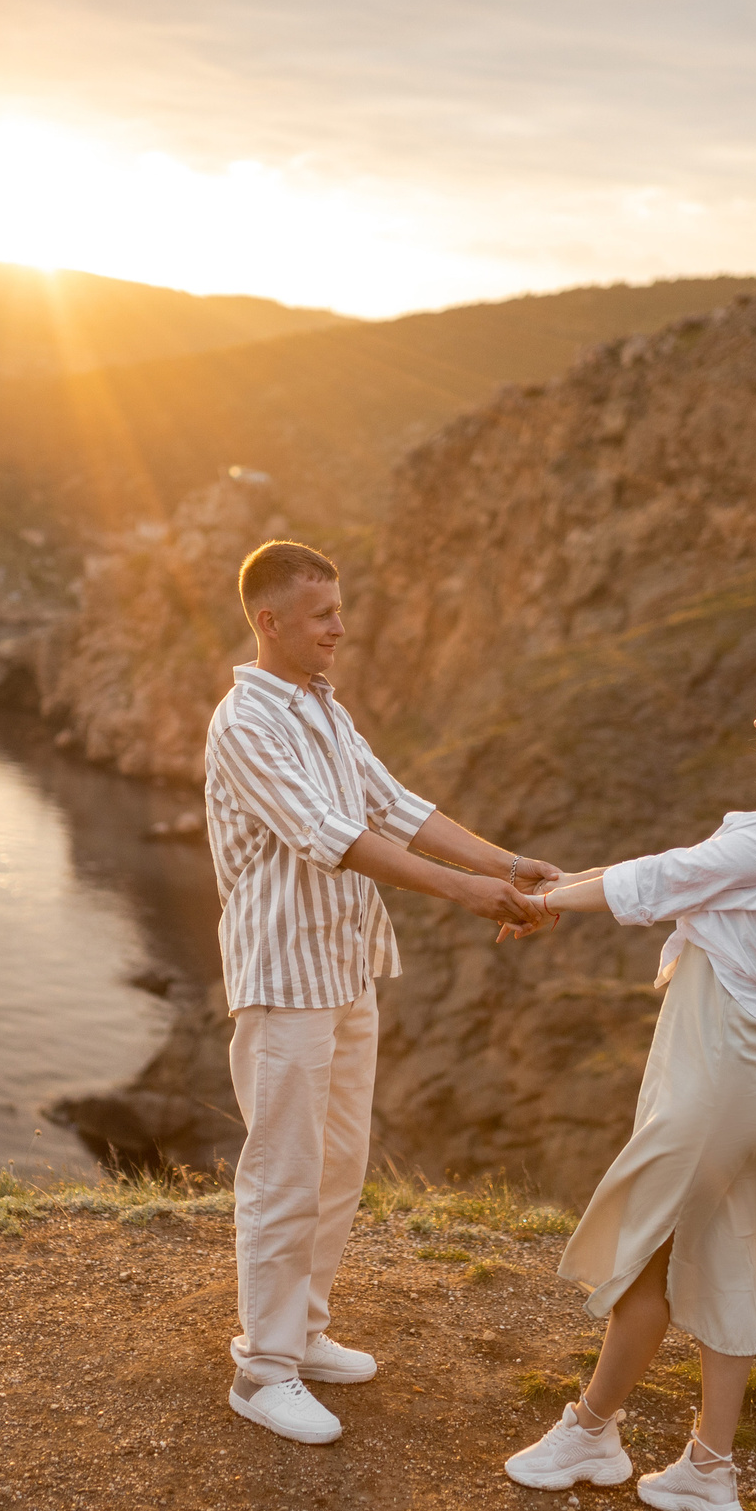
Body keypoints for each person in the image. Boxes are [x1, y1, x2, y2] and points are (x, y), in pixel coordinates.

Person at [496, 649, 756, 1511]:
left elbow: (660, 878)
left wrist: (539, 899)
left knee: (648, 1243)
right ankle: (708, 1470)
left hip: (718, 1058)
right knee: (731, 1254)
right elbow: (678, 875)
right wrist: (556, 887)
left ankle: (591, 1433)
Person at [207, 538, 559, 1446]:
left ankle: (305, 1335)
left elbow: (396, 805)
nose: (339, 625)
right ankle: (263, 1368)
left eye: (339, 608)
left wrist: (503, 860)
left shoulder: (325, 707)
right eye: (321, 613)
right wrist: (468, 894)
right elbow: (332, 835)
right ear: (269, 621)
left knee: (338, 1163)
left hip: (345, 965)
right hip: (283, 975)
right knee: (283, 1170)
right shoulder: (244, 722)